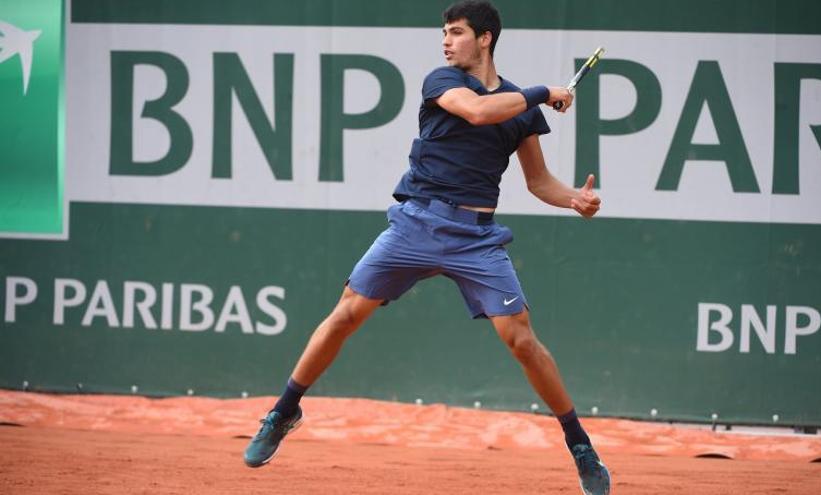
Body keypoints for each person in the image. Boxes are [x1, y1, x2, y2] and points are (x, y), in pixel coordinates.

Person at [243, 1, 610, 493]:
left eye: (456, 32)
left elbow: (539, 182)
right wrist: (544, 93)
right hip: (416, 222)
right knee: (346, 314)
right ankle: (284, 411)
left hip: (476, 238)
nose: (445, 40)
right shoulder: (443, 82)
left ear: (485, 39)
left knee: (522, 340)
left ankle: (579, 444)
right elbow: (479, 112)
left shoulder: (521, 112)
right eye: (444, 32)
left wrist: (576, 200)